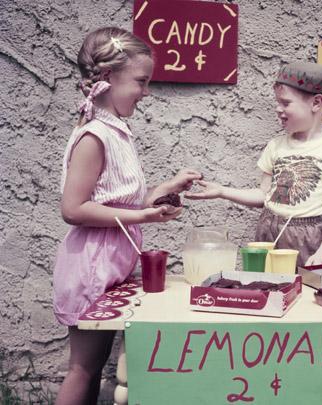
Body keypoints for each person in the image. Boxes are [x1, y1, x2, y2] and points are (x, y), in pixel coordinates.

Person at [52, 27, 201, 405]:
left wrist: (168, 187)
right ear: (106, 79)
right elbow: (73, 208)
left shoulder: (118, 132)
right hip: (91, 266)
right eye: (141, 81)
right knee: (83, 369)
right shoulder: (94, 137)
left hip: (111, 264)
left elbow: (121, 201)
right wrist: (146, 219)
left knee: (98, 363)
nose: (146, 91)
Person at [186, 61, 322, 266]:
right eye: (277, 102)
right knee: (264, 286)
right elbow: (264, 195)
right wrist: (222, 191)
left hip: (304, 238)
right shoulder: (276, 146)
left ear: (316, 103)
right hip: (267, 229)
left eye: (285, 103)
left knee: (300, 290)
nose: (278, 109)